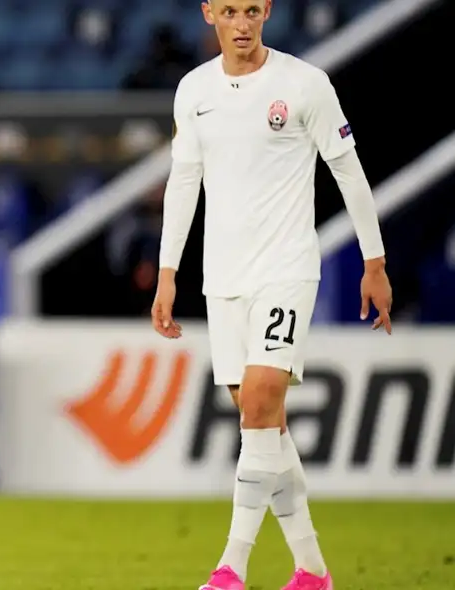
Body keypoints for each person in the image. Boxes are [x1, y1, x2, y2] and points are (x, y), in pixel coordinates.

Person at [150, 2, 392, 590]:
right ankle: (312, 569)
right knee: (264, 425)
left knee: (260, 402)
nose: (242, 24)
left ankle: (231, 567)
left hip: (286, 269)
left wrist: (375, 261)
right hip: (222, 277)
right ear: (209, 12)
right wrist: (167, 271)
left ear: (268, 11)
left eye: (252, 10)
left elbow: (348, 170)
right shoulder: (194, 90)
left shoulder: (305, 84)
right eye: (230, 11)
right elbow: (183, 182)